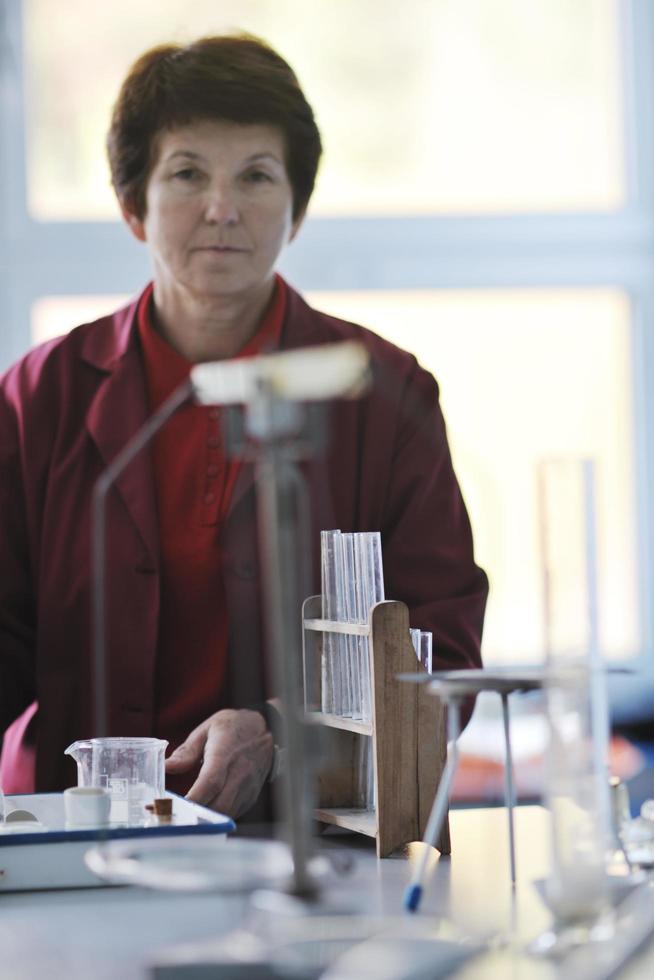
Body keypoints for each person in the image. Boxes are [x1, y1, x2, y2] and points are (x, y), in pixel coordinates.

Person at [0, 34, 488, 820]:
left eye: (256, 176)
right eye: (187, 173)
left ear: (296, 208)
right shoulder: (39, 395)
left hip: (306, 839)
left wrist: (285, 735)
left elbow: (443, 656)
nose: (221, 209)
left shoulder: (386, 393)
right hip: (72, 840)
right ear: (134, 204)